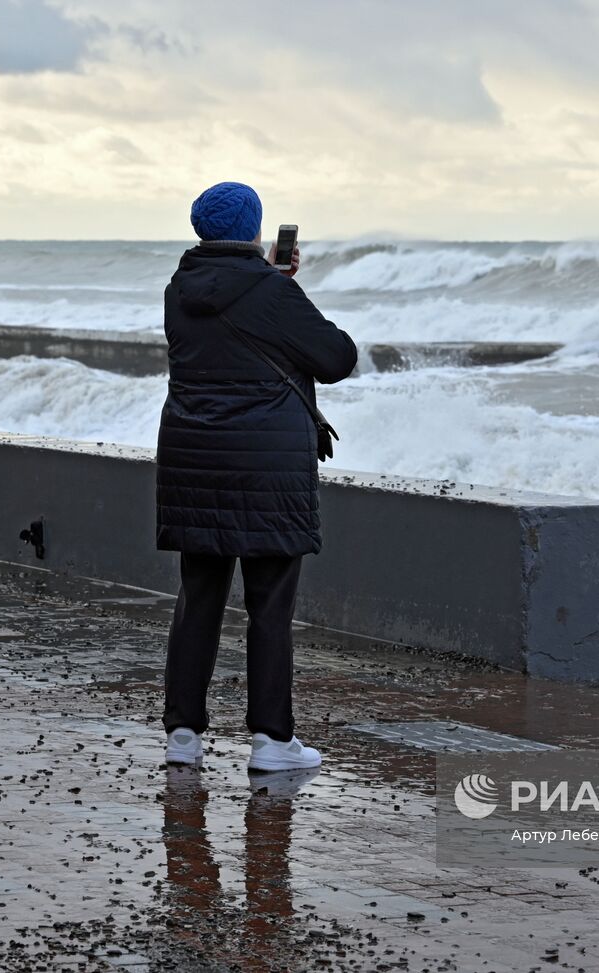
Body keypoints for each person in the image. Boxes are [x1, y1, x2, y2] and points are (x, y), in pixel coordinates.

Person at [156, 181, 357, 772]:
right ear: (254, 229)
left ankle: (183, 736)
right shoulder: (271, 293)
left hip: (194, 464)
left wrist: (276, 285)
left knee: (198, 601)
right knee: (269, 606)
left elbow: (231, 330)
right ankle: (272, 742)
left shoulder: (179, 289)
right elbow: (337, 358)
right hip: (266, 471)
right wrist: (283, 287)